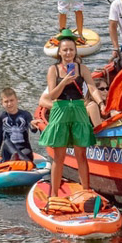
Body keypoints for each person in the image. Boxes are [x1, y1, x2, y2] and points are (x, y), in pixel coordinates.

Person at [39, 30, 104, 199]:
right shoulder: (53, 70)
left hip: (78, 110)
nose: (68, 53)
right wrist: (65, 82)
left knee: (81, 154)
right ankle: (53, 196)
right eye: (65, 50)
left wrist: (101, 103)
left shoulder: (82, 68)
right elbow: (52, 95)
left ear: (76, 51)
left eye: (71, 50)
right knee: (59, 156)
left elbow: (92, 88)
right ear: (59, 52)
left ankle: (85, 193)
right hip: (60, 110)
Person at [0, 87, 35, 162]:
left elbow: (33, 130)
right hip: (9, 150)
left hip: (24, 149)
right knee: (6, 142)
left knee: (26, 152)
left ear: (17, 100)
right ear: (2, 103)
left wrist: (34, 125)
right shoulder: (1, 117)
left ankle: (21, 159)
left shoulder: (25, 115)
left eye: (12, 100)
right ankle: (17, 158)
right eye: (6, 101)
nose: (9, 104)